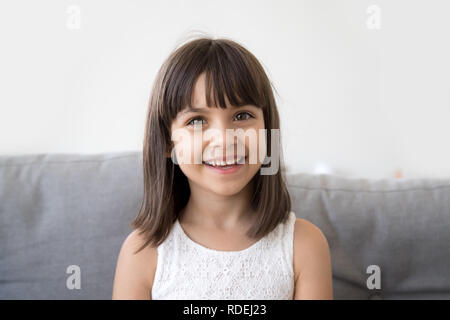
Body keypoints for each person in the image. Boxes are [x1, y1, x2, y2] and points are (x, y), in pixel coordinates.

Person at [112, 36, 333, 300]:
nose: (225, 138)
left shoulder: (304, 245)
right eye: (196, 121)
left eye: (242, 116)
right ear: (168, 142)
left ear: (267, 131)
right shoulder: (144, 252)